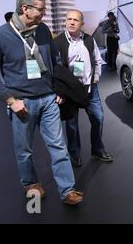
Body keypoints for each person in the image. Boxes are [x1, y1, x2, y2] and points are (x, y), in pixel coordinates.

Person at [0, 0, 83, 205]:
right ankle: (31, 183)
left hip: (49, 99)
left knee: (58, 146)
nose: (44, 13)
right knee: (24, 151)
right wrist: (11, 101)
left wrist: (60, 90)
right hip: (22, 103)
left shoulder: (43, 30)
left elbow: (55, 62)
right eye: (40, 9)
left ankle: (67, 190)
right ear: (25, 9)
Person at [54, 10, 114, 167]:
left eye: (75, 20)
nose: (72, 22)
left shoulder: (89, 39)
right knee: (72, 125)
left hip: (90, 89)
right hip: (70, 91)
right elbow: (56, 69)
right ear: (65, 22)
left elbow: (97, 60)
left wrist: (95, 79)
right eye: (69, 19)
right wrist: (60, 91)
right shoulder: (58, 42)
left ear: (82, 24)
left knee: (98, 118)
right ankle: (74, 155)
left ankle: (98, 150)